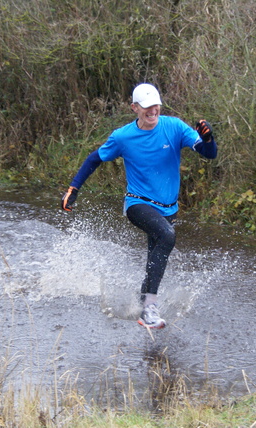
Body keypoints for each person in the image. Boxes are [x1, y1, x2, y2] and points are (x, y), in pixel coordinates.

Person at [61, 83, 217, 329]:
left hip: (169, 207)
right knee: (167, 236)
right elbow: (94, 159)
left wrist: (208, 139)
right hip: (138, 203)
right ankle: (149, 309)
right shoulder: (123, 137)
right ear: (135, 108)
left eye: (155, 105)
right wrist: (73, 189)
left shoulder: (174, 127)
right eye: (146, 107)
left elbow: (209, 154)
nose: (152, 111)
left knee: (156, 254)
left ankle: (142, 300)